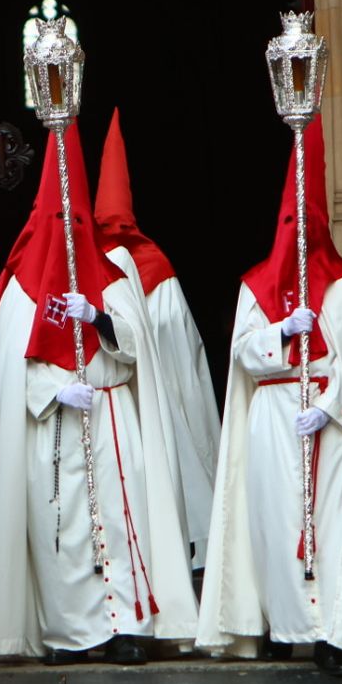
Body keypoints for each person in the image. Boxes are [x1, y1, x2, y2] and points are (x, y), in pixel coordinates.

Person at [0, 121, 196, 666]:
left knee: (122, 529)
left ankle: (127, 625)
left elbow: (136, 349)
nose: (69, 231)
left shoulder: (115, 276)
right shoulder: (17, 292)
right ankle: (71, 633)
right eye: (61, 221)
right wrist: (57, 388)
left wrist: (99, 316)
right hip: (52, 425)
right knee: (64, 529)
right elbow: (10, 374)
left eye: (76, 220)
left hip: (111, 418)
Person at [196, 118, 342, 677]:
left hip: (326, 419)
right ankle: (282, 626)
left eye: (307, 222)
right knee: (275, 525)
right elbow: (243, 355)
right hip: (274, 416)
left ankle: (332, 633)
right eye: (289, 223)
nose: (298, 233)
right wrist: (281, 330)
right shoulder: (255, 287)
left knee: (328, 526)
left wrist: (328, 406)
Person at [94, 109, 221, 569]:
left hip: (130, 395)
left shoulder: (100, 265)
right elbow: (182, 345)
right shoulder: (155, 265)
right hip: (153, 391)